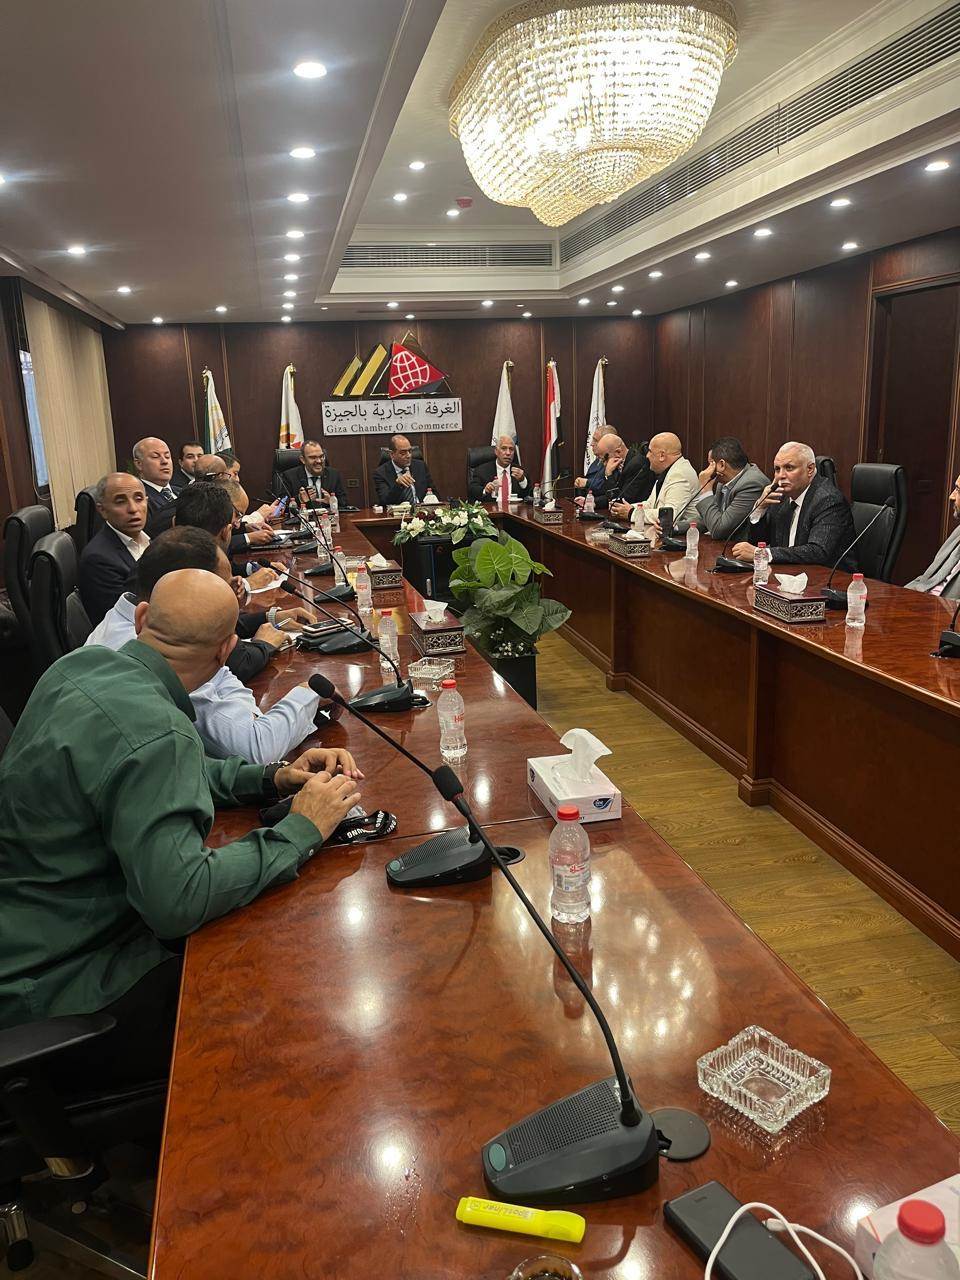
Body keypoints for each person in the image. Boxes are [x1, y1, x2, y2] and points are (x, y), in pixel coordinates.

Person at [0, 567, 363, 1086]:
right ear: (227, 651)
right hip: (59, 990)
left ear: (142, 617)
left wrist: (269, 777)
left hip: (24, 937)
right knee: (290, 995)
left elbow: (137, 769)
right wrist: (301, 829)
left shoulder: (76, 667)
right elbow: (179, 901)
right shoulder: (158, 731)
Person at [86, 528, 324, 763]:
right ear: (189, 591)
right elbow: (256, 747)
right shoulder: (155, 654)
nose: (236, 593)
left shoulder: (134, 617)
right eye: (226, 587)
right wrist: (310, 693)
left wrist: (248, 715)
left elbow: (223, 677)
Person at [174, 482, 304, 682]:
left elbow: (220, 624)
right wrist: (264, 645)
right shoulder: (199, 574)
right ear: (226, 531)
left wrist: (270, 617)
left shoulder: (170, 555)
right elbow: (238, 663)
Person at [731, 441, 857, 567]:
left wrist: (763, 554)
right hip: (788, 572)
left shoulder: (828, 499)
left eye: (789, 468)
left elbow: (818, 552)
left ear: (810, 469)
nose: (781, 476)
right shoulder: (781, 496)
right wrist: (760, 508)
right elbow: (758, 541)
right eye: (777, 469)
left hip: (830, 576)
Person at [78, 472, 151, 625]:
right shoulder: (98, 559)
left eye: (138, 499)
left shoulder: (152, 538)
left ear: (146, 501)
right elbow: (123, 618)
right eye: (120, 502)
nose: (133, 509)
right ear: (102, 510)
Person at [674, 437, 770, 539]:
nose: (707, 469)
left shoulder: (751, 484)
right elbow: (709, 518)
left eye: (711, 463)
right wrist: (675, 527)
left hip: (743, 546)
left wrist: (705, 490)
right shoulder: (724, 481)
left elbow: (719, 530)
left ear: (722, 465)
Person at [610, 432, 699, 527]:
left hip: (683, 534)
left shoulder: (680, 474)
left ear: (662, 456)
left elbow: (668, 516)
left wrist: (631, 513)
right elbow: (650, 504)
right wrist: (624, 508)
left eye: (650, 451)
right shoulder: (668, 470)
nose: (647, 456)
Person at [905, 471, 960, 597]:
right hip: (921, 600)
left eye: (958, 490)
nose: (951, 496)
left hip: (943, 608)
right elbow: (926, 580)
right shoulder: (958, 533)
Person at [590, 434, 651, 511]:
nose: (605, 464)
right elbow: (610, 494)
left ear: (618, 452)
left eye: (605, 459)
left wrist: (609, 475)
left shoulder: (637, 465)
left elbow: (621, 500)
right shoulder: (619, 463)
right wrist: (593, 502)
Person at [281, 440, 348, 507]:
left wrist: (331, 501)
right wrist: (299, 499)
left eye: (321, 456)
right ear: (303, 460)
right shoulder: (289, 476)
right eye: (313, 457)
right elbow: (281, 505)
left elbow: (344, 502)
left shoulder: (333, 474)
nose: (319, 461)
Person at [133, 436, 177, 535]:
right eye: (155, 457)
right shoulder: (139, 499)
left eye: (167, 456)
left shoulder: (182, 491)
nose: (164, 461)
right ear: (139, 464)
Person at [373, 434, 434, 506]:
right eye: (403, 453)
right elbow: (385, 501)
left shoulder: (420, 466)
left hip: (422, 510)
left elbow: (433, 492)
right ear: (392, 454)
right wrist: (398, 485)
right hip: (399, 512)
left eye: (410, 451)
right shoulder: (381, 473)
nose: (408, 455)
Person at [469, 435, 528, 502]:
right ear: (496, 451)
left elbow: (527, 493)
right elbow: (473, 489)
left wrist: (522, 480)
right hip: (491, 507)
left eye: (511, 449)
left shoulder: (519, 471)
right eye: (504, 448)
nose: (508, 453)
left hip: (513, 507)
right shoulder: (482, 470)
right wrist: (485, 490)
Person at [574, 426, 609, 495]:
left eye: (595, 440)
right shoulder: (598, 459)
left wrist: (587, 482)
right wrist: (580, 483)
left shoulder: (615, 462)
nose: (591, 444)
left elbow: (609, 486)